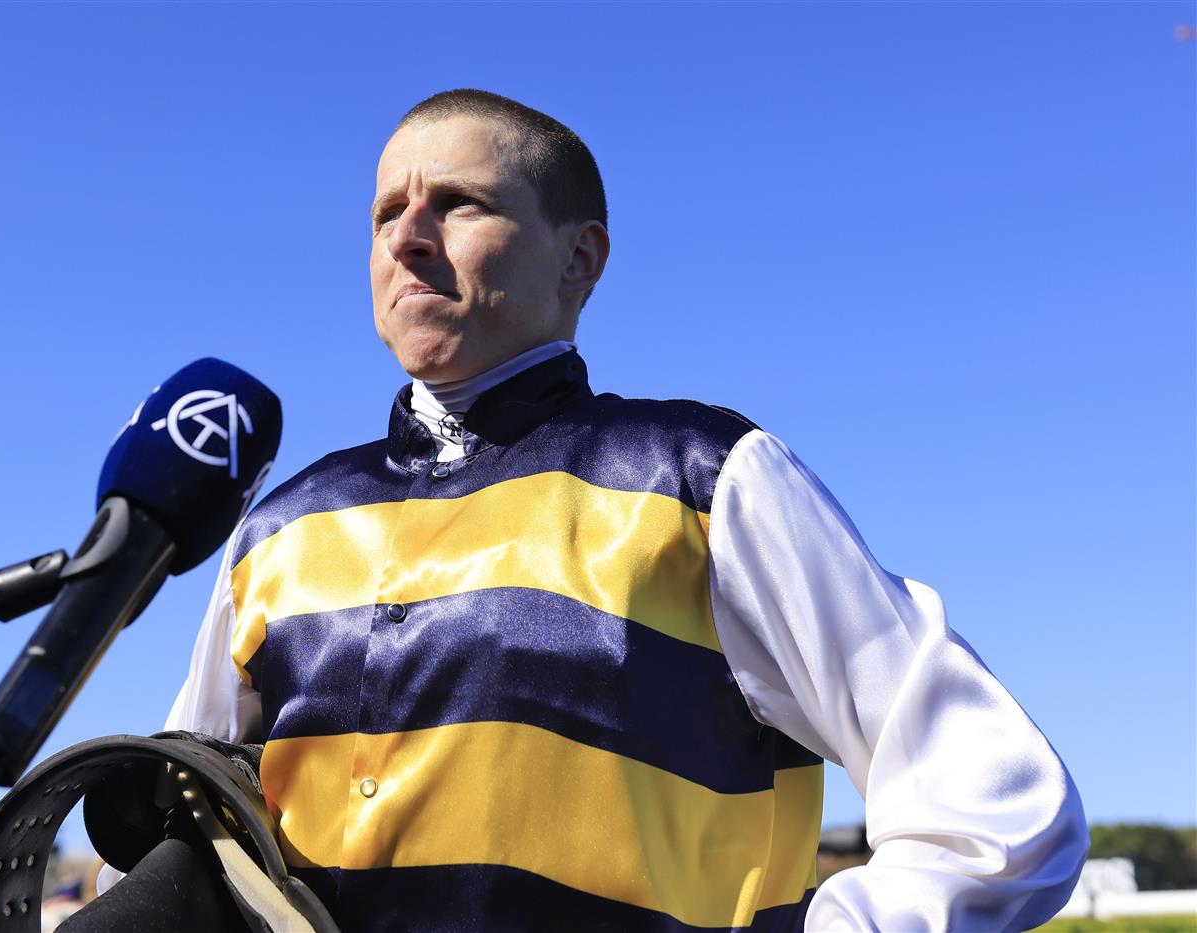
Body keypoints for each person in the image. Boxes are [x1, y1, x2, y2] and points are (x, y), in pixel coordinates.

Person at [163, 89, 1088, 930]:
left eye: (457, 203)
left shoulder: (704, 477)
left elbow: (997, 812)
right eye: (384, 213)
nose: (407, 236)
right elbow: (188, 828)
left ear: (581, 257)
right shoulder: (275, 528)